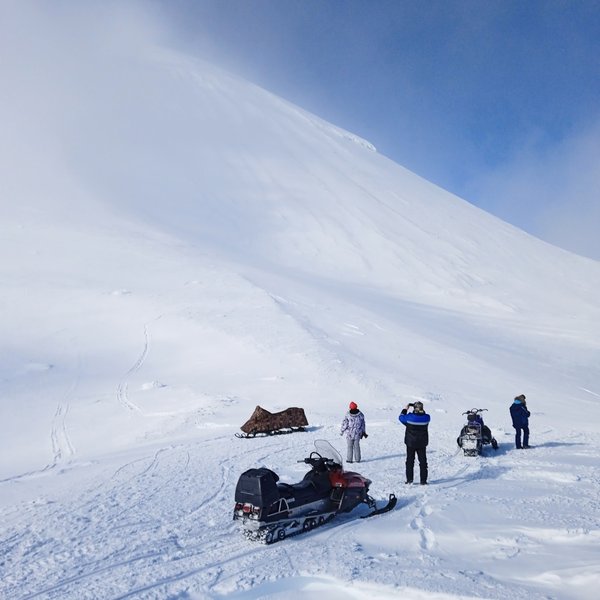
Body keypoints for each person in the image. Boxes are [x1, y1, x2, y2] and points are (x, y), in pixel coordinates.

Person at [399, 401, 430, 484]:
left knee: (410, 461)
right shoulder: (427, 417)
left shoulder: (409, 417)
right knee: (423, 462)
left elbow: (401, 417)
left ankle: (409, 480)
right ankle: (423, 480)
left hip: (410, 443)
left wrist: (405, 409)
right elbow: (424, 415)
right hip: (422, 443)